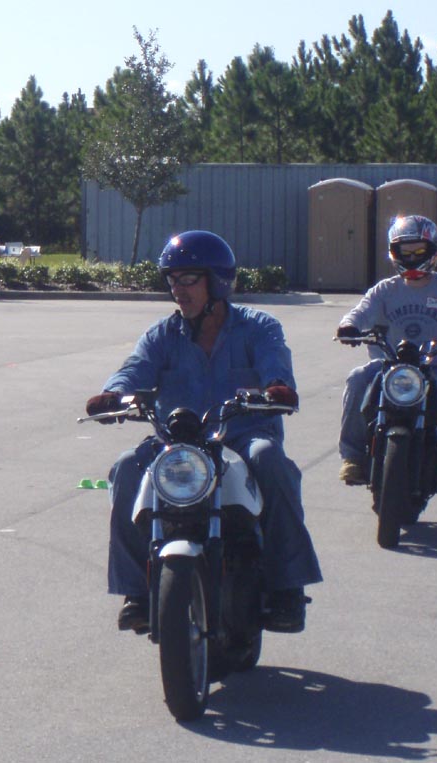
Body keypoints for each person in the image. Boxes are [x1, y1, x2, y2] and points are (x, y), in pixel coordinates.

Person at [85, 230, 322, 634]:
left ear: (218, 281)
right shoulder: (162, 335)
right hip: (175, 441)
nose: (178, 289)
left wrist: (277, 388)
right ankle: (137, 592)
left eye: (188, 279)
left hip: (241, 438)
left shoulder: (259, 327)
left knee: (270, 461)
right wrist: (113, 395)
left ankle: (287, 587)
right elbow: (135, 368)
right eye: (172, 280)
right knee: (125, 468)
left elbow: (275, 365)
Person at [336, 215, 437, 496]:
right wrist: (349, 326)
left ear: (434, 251)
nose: (412, 256)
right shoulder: (385, 289)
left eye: (419, 250)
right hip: (388, 366)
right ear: (394, 252)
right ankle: (353, 457)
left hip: (436, 366)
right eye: (406, 250)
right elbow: (360, 311)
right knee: (356, 380)